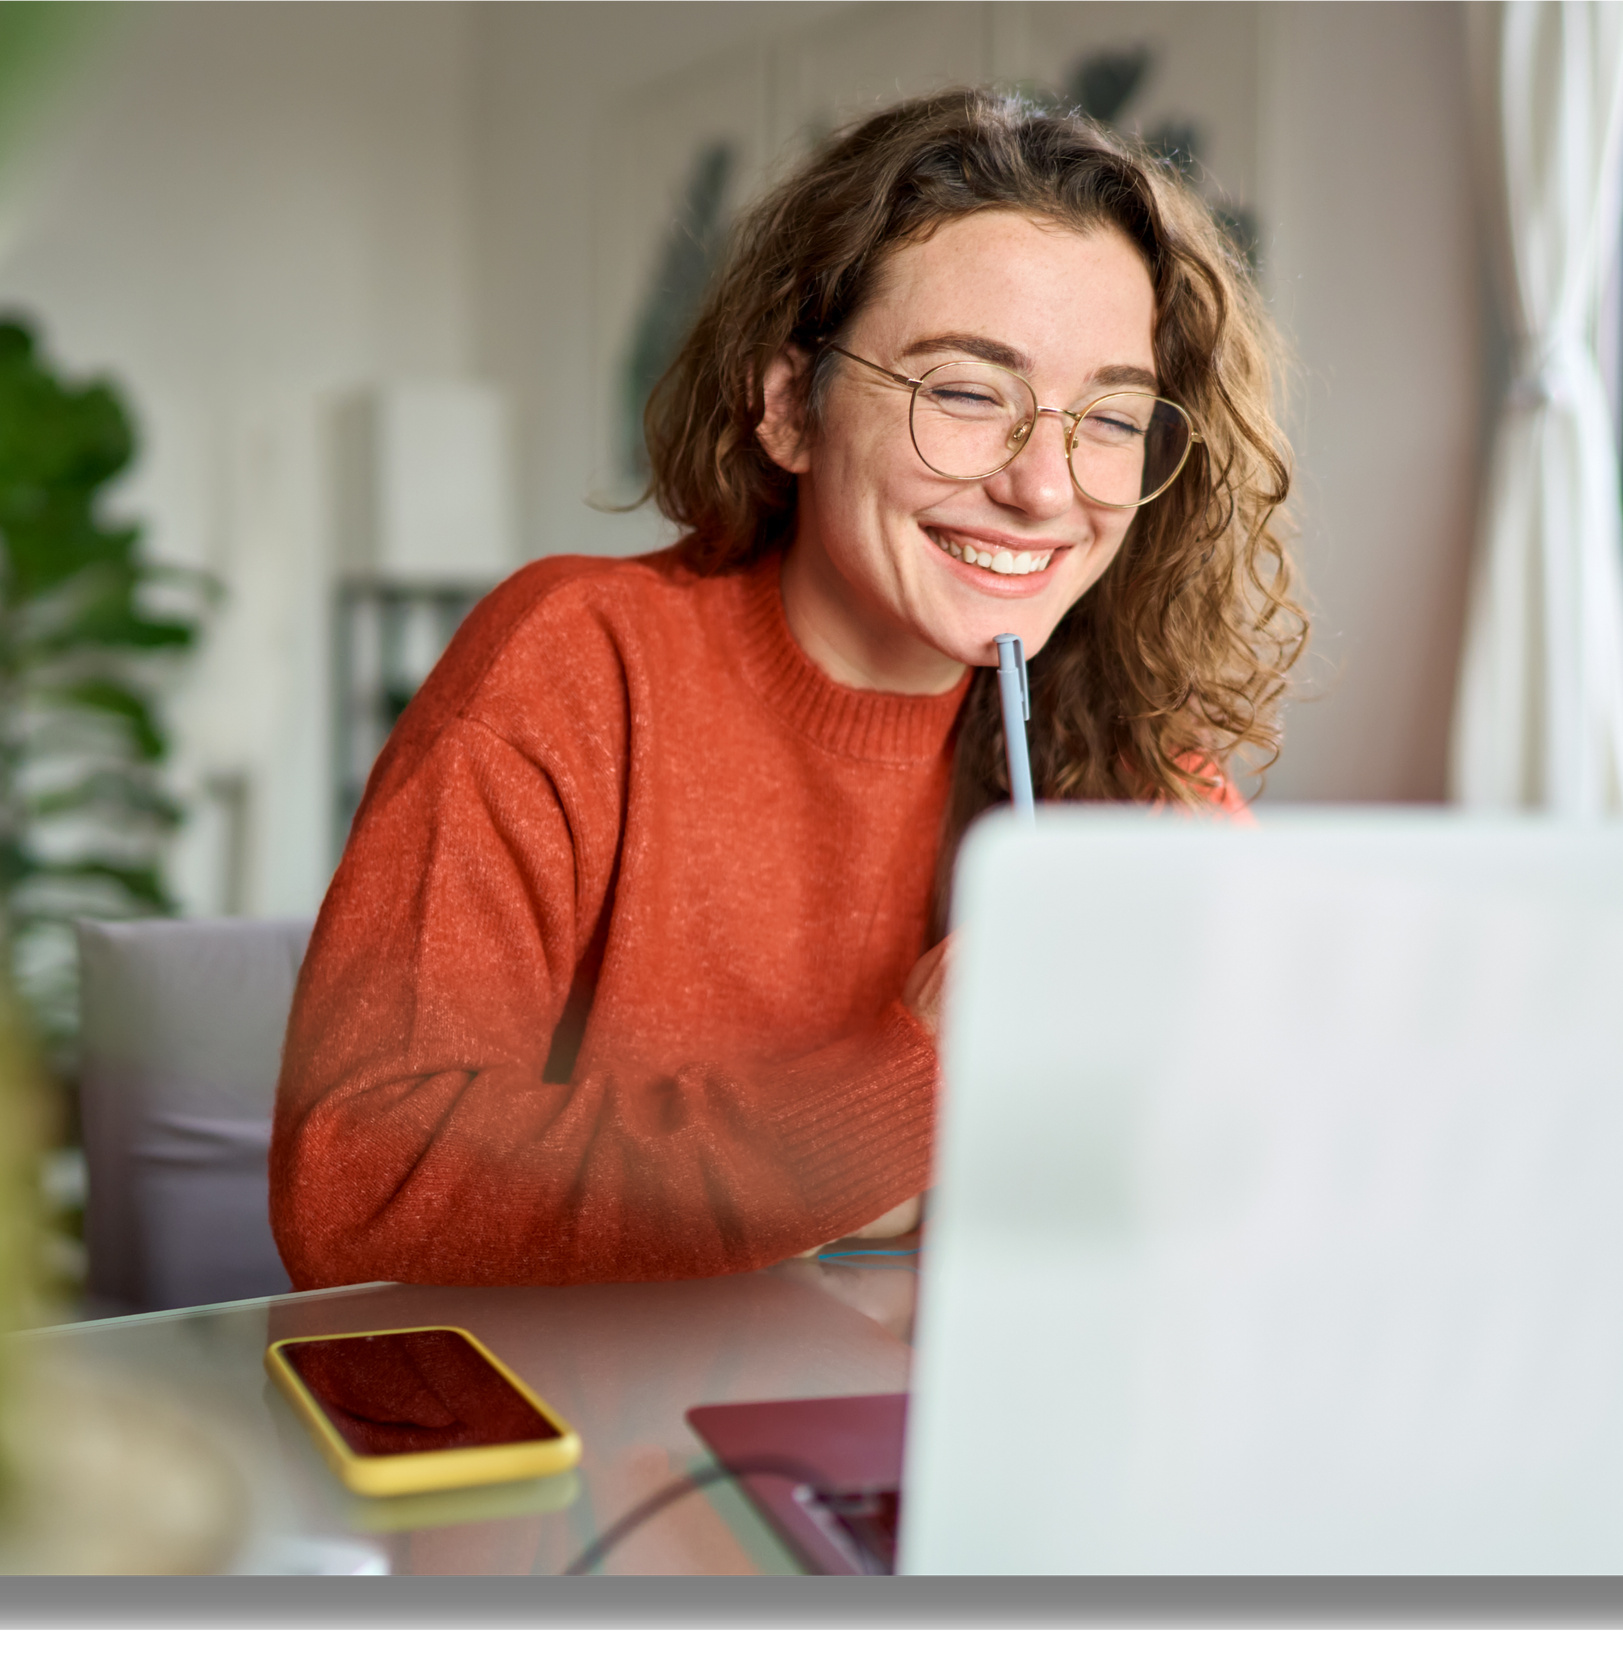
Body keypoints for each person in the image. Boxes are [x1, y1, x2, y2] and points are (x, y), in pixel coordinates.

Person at [272, 88, 1303, 1288]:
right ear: (785, 406)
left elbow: (1251, 1163)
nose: (1044, 486)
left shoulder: (1129, 748)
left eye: (1110, 417)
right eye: (967, 392)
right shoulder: (575, 664)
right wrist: (907, 1088)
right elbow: (355, 1183)